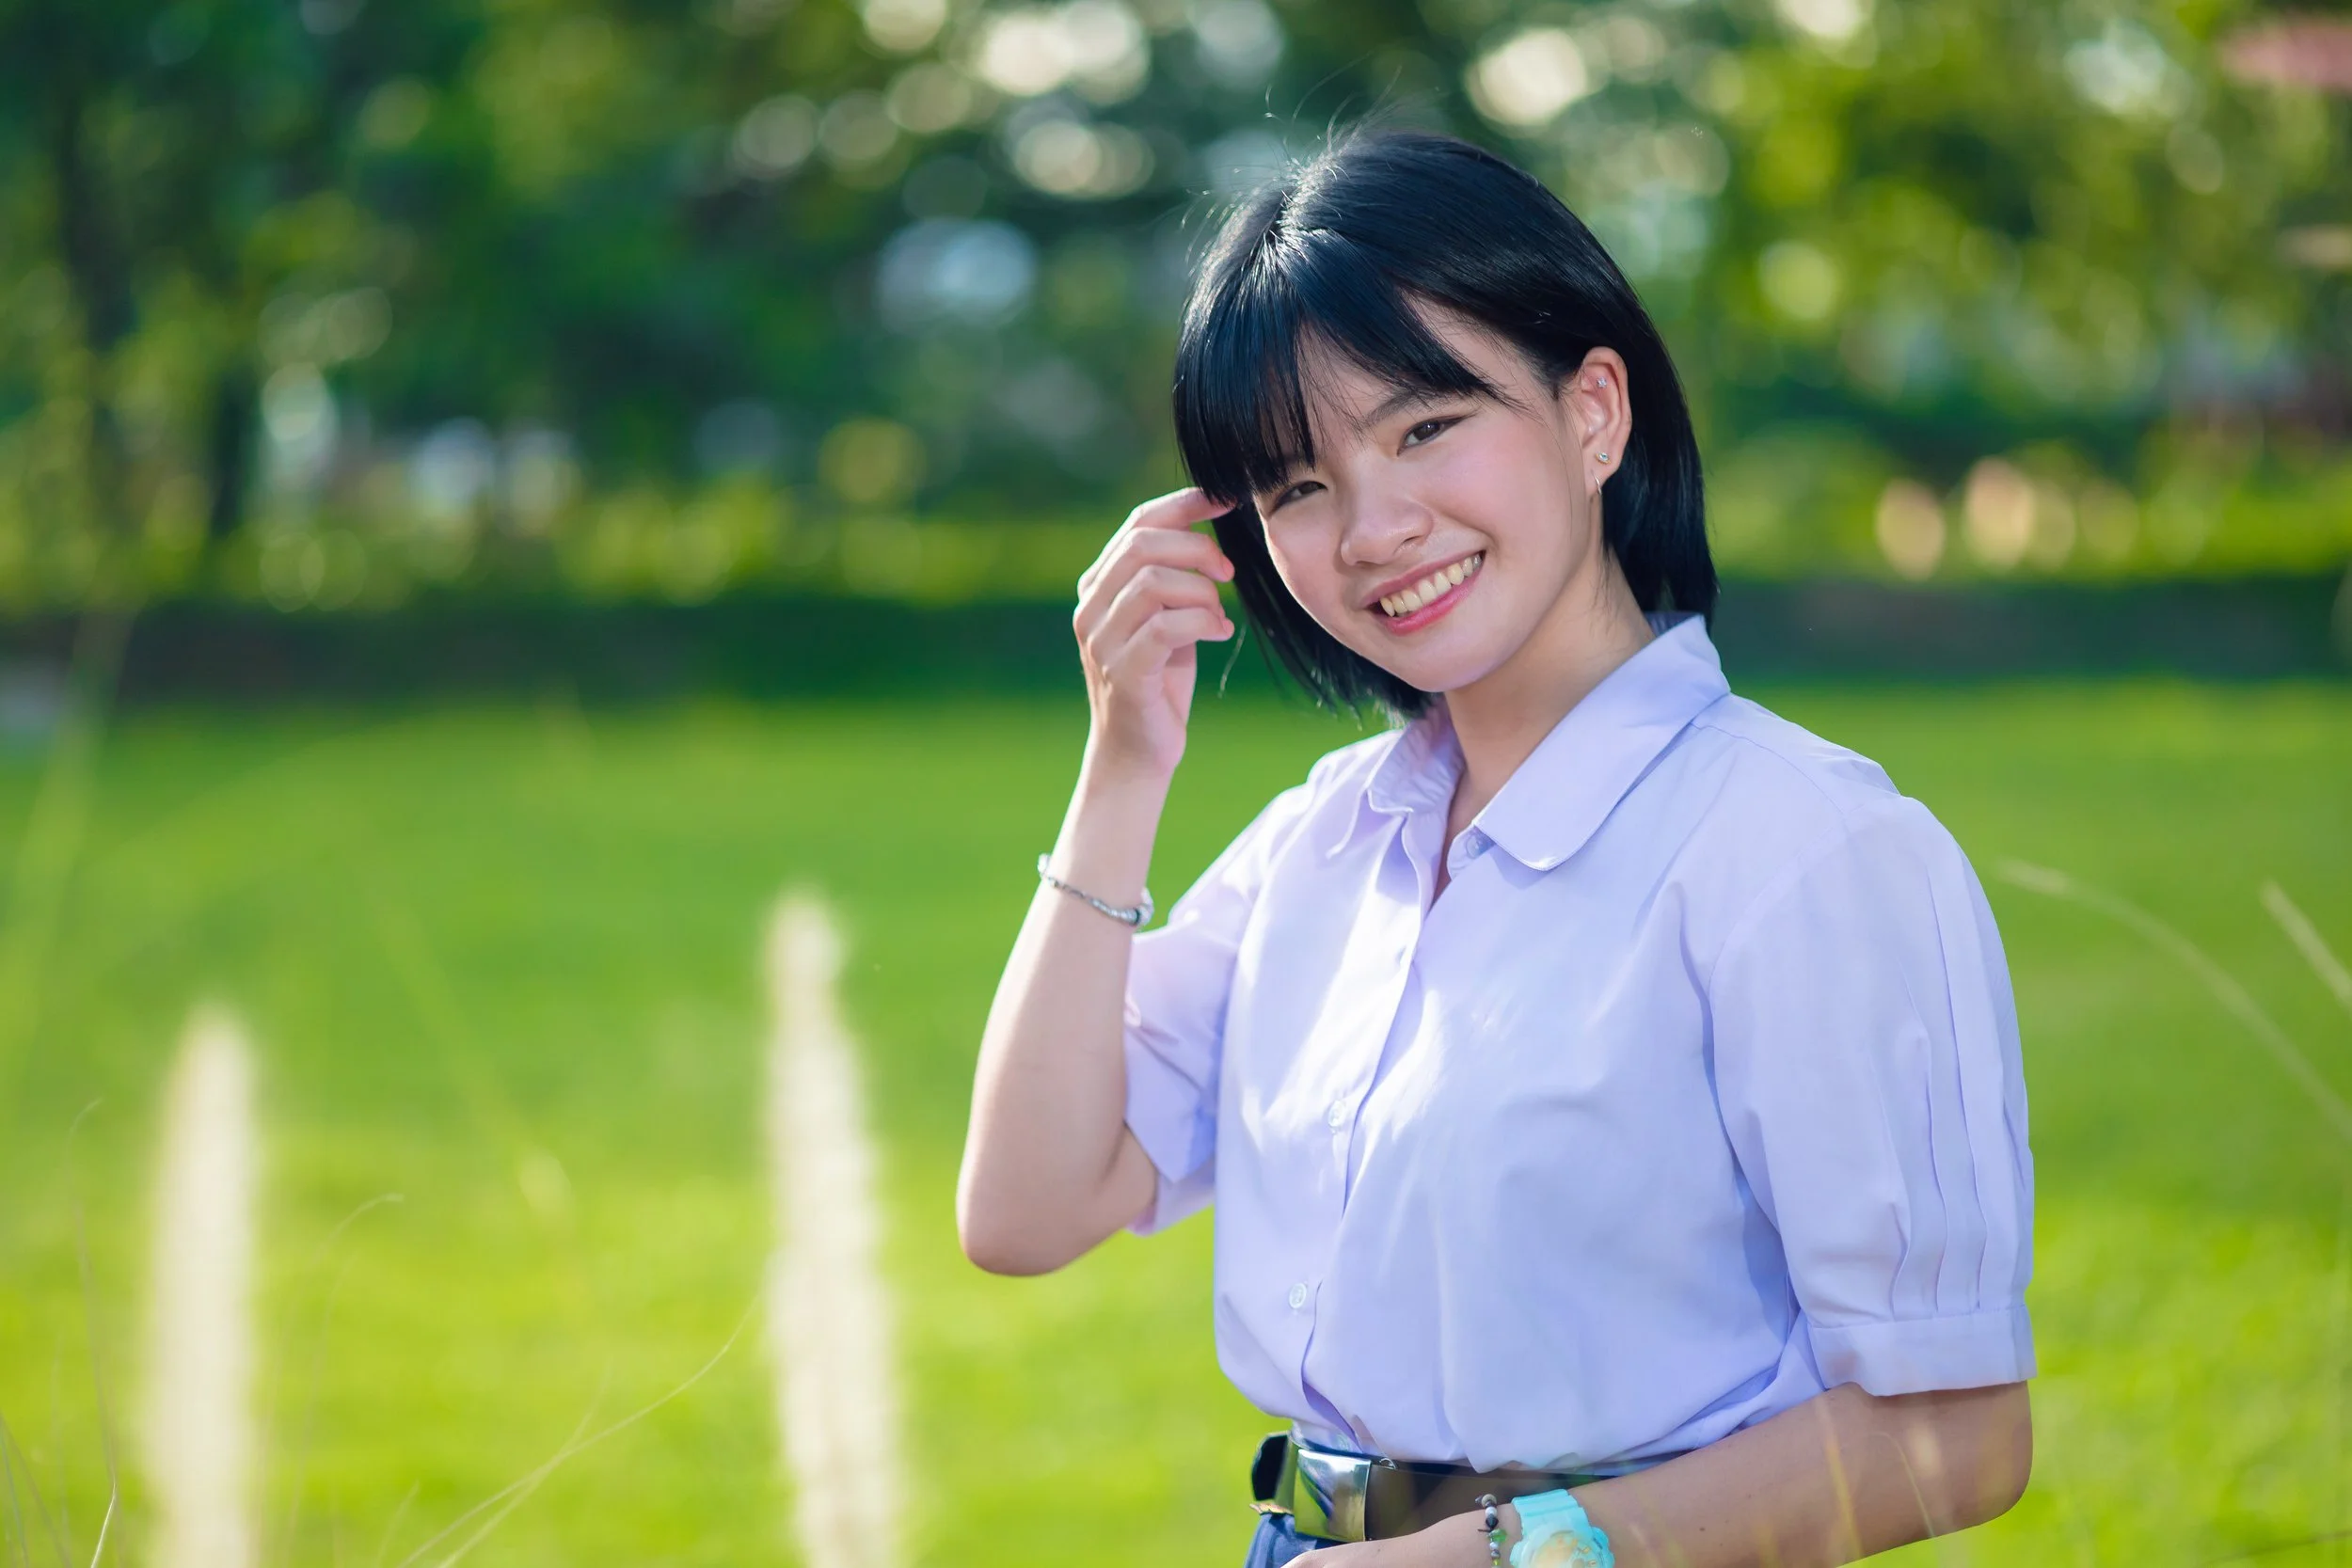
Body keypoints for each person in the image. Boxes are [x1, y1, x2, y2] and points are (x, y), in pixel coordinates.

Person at [957, 128, 2034, 1568]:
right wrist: (1123, 769)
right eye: (1297, 485)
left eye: (1423, 428)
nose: (1374, 529)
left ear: (1595, 413)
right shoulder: (1322, 849)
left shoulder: (1804, 848)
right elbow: (1025, 1205)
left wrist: (1486, 1559)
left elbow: (1954, 1432)